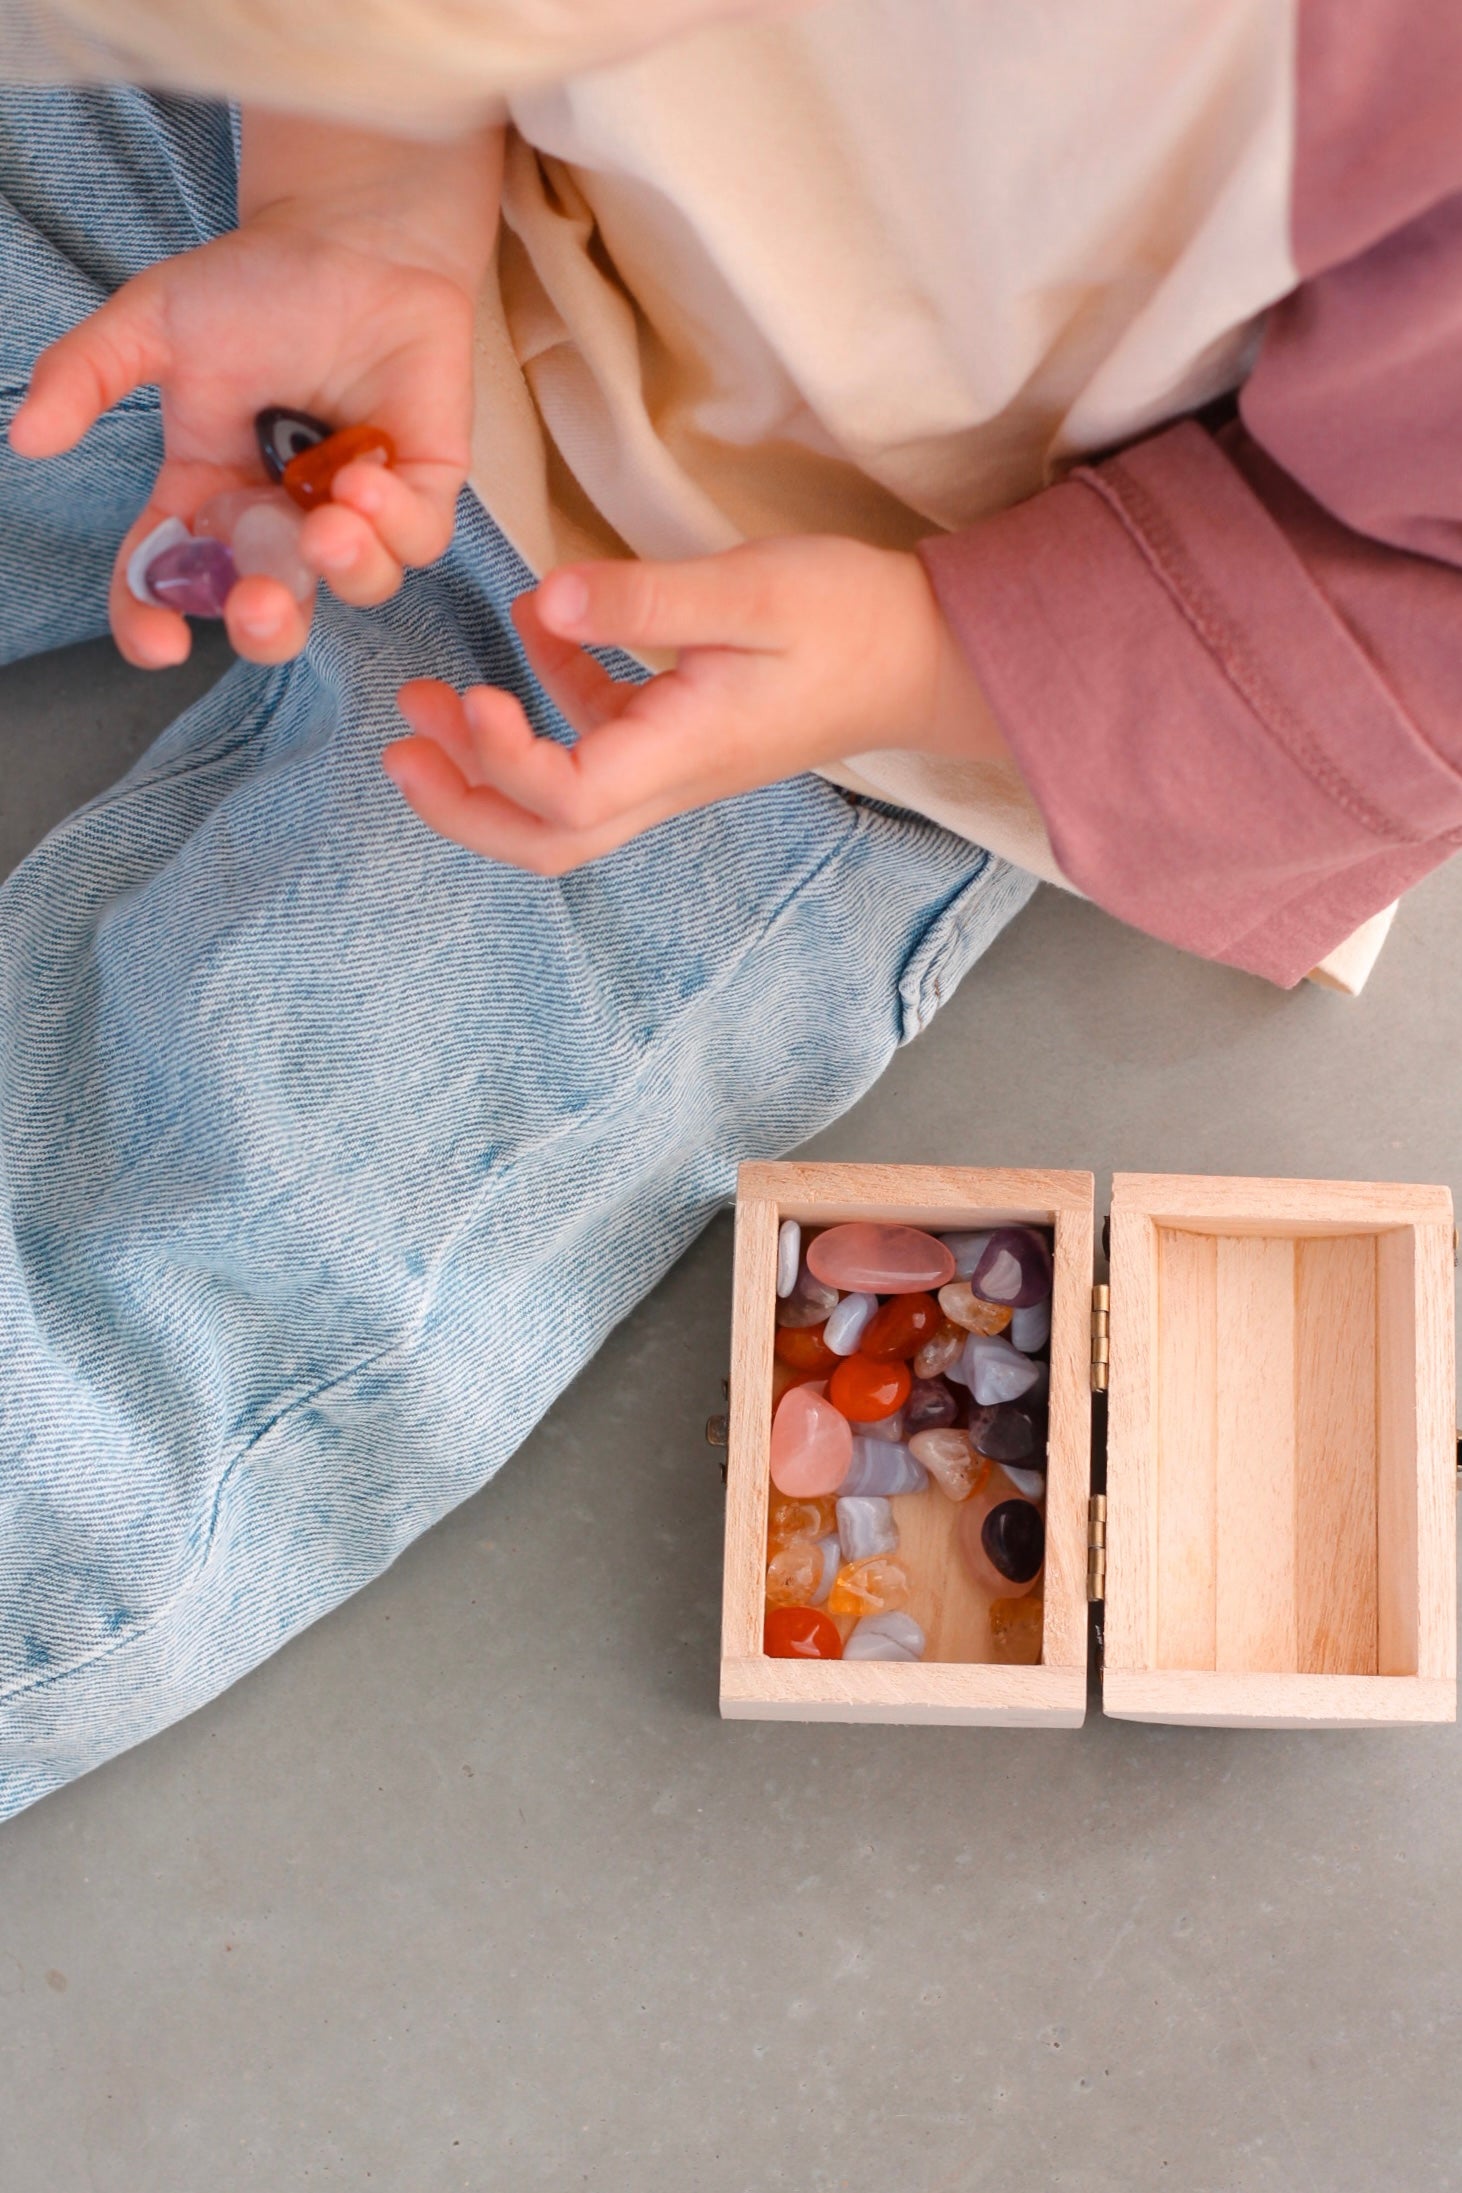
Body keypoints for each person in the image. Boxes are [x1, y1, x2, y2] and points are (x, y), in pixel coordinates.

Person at [1, 0, 1458, 1819]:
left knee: (192, 1263)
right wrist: (357, 184)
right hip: (338, 195)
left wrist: (918, 657)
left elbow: (1417, 619)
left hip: (813, 669)